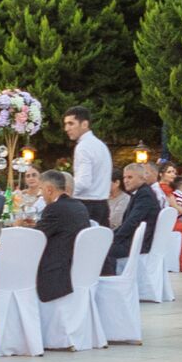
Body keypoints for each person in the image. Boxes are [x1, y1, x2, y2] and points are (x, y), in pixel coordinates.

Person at [30, 169, 101, 305]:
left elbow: (35, 238)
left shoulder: (54, 209)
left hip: (58, 270)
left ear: (49, 189)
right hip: (78, 265)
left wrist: (18, 226)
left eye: (41, 189)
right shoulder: (79, 206)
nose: (41, 194)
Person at [105, 157, 163, 272]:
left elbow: (132, 223)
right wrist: (110, 236)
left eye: (130, 177)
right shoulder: (140, 193)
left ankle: (110, 284)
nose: (126, 181)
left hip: (139, 244)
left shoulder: (144, 195)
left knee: (100, 250)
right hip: (135, 241)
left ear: (142, 178)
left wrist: (113, 239)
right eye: (124, 177)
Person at [62, 106, 112, 213]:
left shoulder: (83, 147)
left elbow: (83, 182)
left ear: (84, 124)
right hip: (102, 204)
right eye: (65, 124)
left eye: (71, 123)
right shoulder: (100, 145)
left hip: (87, 205)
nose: (66, 129)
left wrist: (62, 193)